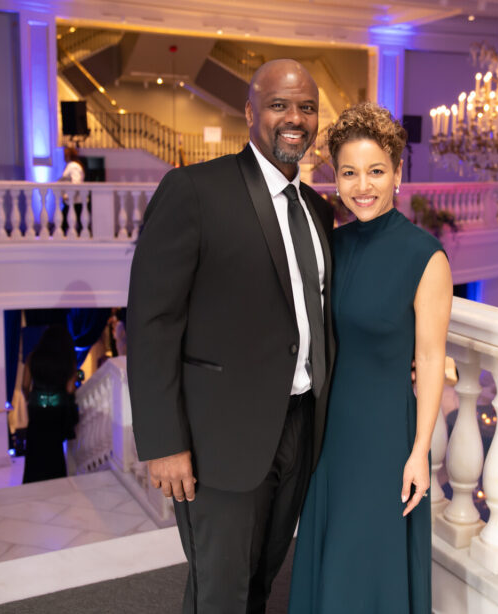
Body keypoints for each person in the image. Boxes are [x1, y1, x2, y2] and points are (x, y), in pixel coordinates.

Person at [126, 59, 334, 613]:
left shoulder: (318, 210)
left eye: (307, 107)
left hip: (298, 430)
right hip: (218, 439)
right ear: (250, 112)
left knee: (261, 580)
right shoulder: (194, 190)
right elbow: (151, 320)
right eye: (279, 105)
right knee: (221, 592)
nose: (295, 118)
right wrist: (164, 441)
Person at [289, 102, 453, 614]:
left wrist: (419, 452)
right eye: (350, 172)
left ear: (397, 174)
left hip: (384, 442)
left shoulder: (425, 257)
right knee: (330, 559)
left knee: (364, 568)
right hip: (328, 435)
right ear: (336, 178)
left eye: (376, 171)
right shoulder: (329, 245)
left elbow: (431, 359)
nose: (363, 186)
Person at [21, 324, 79, 484]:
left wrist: (31, 398)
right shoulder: (68, 360)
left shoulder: (33, 357)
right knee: (54, 448)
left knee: (35, 445)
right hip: (57, 409)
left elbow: (25, 386)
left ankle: (32, 481)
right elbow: (69, 389)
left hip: (36, 408)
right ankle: (55, 482)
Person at [59, 146, 85, 235]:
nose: (64, 157)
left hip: (74, 200)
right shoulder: (71, 166)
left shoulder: (73, 167)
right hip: (72, 200)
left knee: (64, 220)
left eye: (65, 155)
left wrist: (68, 196)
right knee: (72, 220)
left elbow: (76, 182)